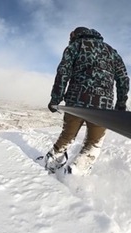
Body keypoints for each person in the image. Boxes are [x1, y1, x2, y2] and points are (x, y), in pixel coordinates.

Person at [45, 27, 130, 175]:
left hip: (76, 102)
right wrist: (121, 104)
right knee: (94, 143)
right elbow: (123, 78)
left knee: (67, 136)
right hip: (103, 107)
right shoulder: (112, 51)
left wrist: (56, 99)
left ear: (75, 36)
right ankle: (77, 171)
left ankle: (52, 163)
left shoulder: (75, 46)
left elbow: (63, 73)